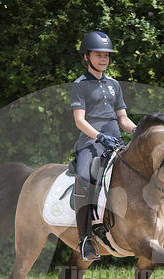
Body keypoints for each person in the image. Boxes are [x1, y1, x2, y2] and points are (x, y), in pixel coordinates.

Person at [71, 31, 136, 260]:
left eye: (107, 56)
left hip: (115, 139)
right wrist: (99, 136)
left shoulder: (114, 85)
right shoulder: (80, 85)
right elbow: (80, 120)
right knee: (83, 176)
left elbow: (123, 119)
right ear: (86, 57)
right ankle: (85, 238)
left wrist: (138, 132)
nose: (104, 59)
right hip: (90, 142)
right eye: (99, 55)